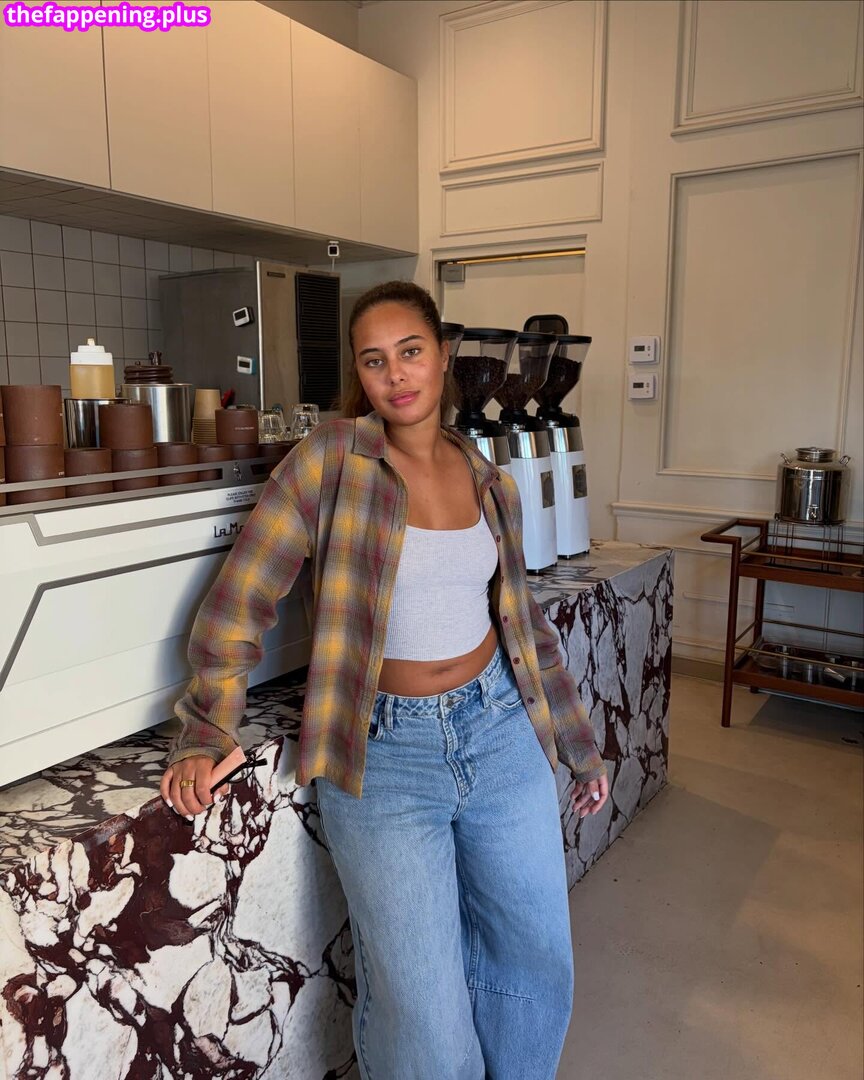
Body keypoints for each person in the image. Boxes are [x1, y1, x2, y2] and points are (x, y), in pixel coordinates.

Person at [160, 280, 609, 1080]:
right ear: (359, 376)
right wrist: (206, 728)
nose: (395, 374)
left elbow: (525, 629)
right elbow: (239, 598)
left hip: (499, 731)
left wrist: (579, 748)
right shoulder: (331, 460)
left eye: (410, 352)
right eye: (374, 361)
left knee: (534, 960)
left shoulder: (488, 477)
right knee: (423, 1014)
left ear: (442, 356)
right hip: (384, 756)